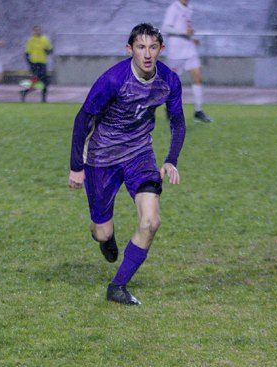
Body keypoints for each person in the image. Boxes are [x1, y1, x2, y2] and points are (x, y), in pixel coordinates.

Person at [68, 23, 186, 305]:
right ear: (129, 49)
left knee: (151, 221)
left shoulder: (168, 80)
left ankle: (117, 287)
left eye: (153, 47)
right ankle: (102, 235)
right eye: (141, 47)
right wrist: (76, 166)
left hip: (139, 154)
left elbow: (178, 122)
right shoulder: (112, 80)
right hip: (102, 158)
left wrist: (171, 160)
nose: (147, 54)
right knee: (103, 231)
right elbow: (82, 119)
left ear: (161, 50)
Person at [162, 0, 213, 122]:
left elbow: (186, 27)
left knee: (198, 78)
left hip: (190, 49)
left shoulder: (189, 8)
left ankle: (198, 111)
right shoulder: (173, 8)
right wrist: (184, 33)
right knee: (174, 84)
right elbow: (165, 28)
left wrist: (193, 38)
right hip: (176, 52)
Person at [20, 25, 53, 103]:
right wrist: (30, 64)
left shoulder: (45, 39)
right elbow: (27, 53)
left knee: (42, 81)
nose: (37, 31)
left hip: (43, 63)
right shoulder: (31, 40)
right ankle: (42, 98)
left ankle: (26, 92)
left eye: (38, 30)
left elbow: (50, 50)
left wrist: (47, 51)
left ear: (41, 30)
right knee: (41, 80)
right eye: (36, 30)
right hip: (35, 63)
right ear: (34, 31)